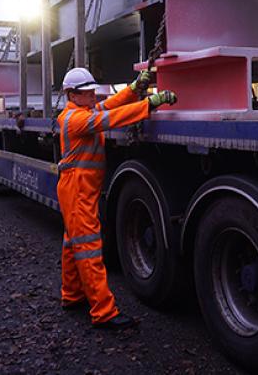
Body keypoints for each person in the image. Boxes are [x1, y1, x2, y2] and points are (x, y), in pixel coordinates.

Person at [56, 67, 176, 330]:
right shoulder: (75, 119)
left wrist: (133, 88)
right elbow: (111, 119)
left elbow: (111, 105)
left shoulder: (83, 111)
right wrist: (149, 104)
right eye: (88, 93)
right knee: (88, 248)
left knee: (72, 243)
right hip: (77, 190)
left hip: (78, 189)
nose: (94, 97)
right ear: (72, 95)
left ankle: (72, 294)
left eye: (92, 92)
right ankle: (103, 312)